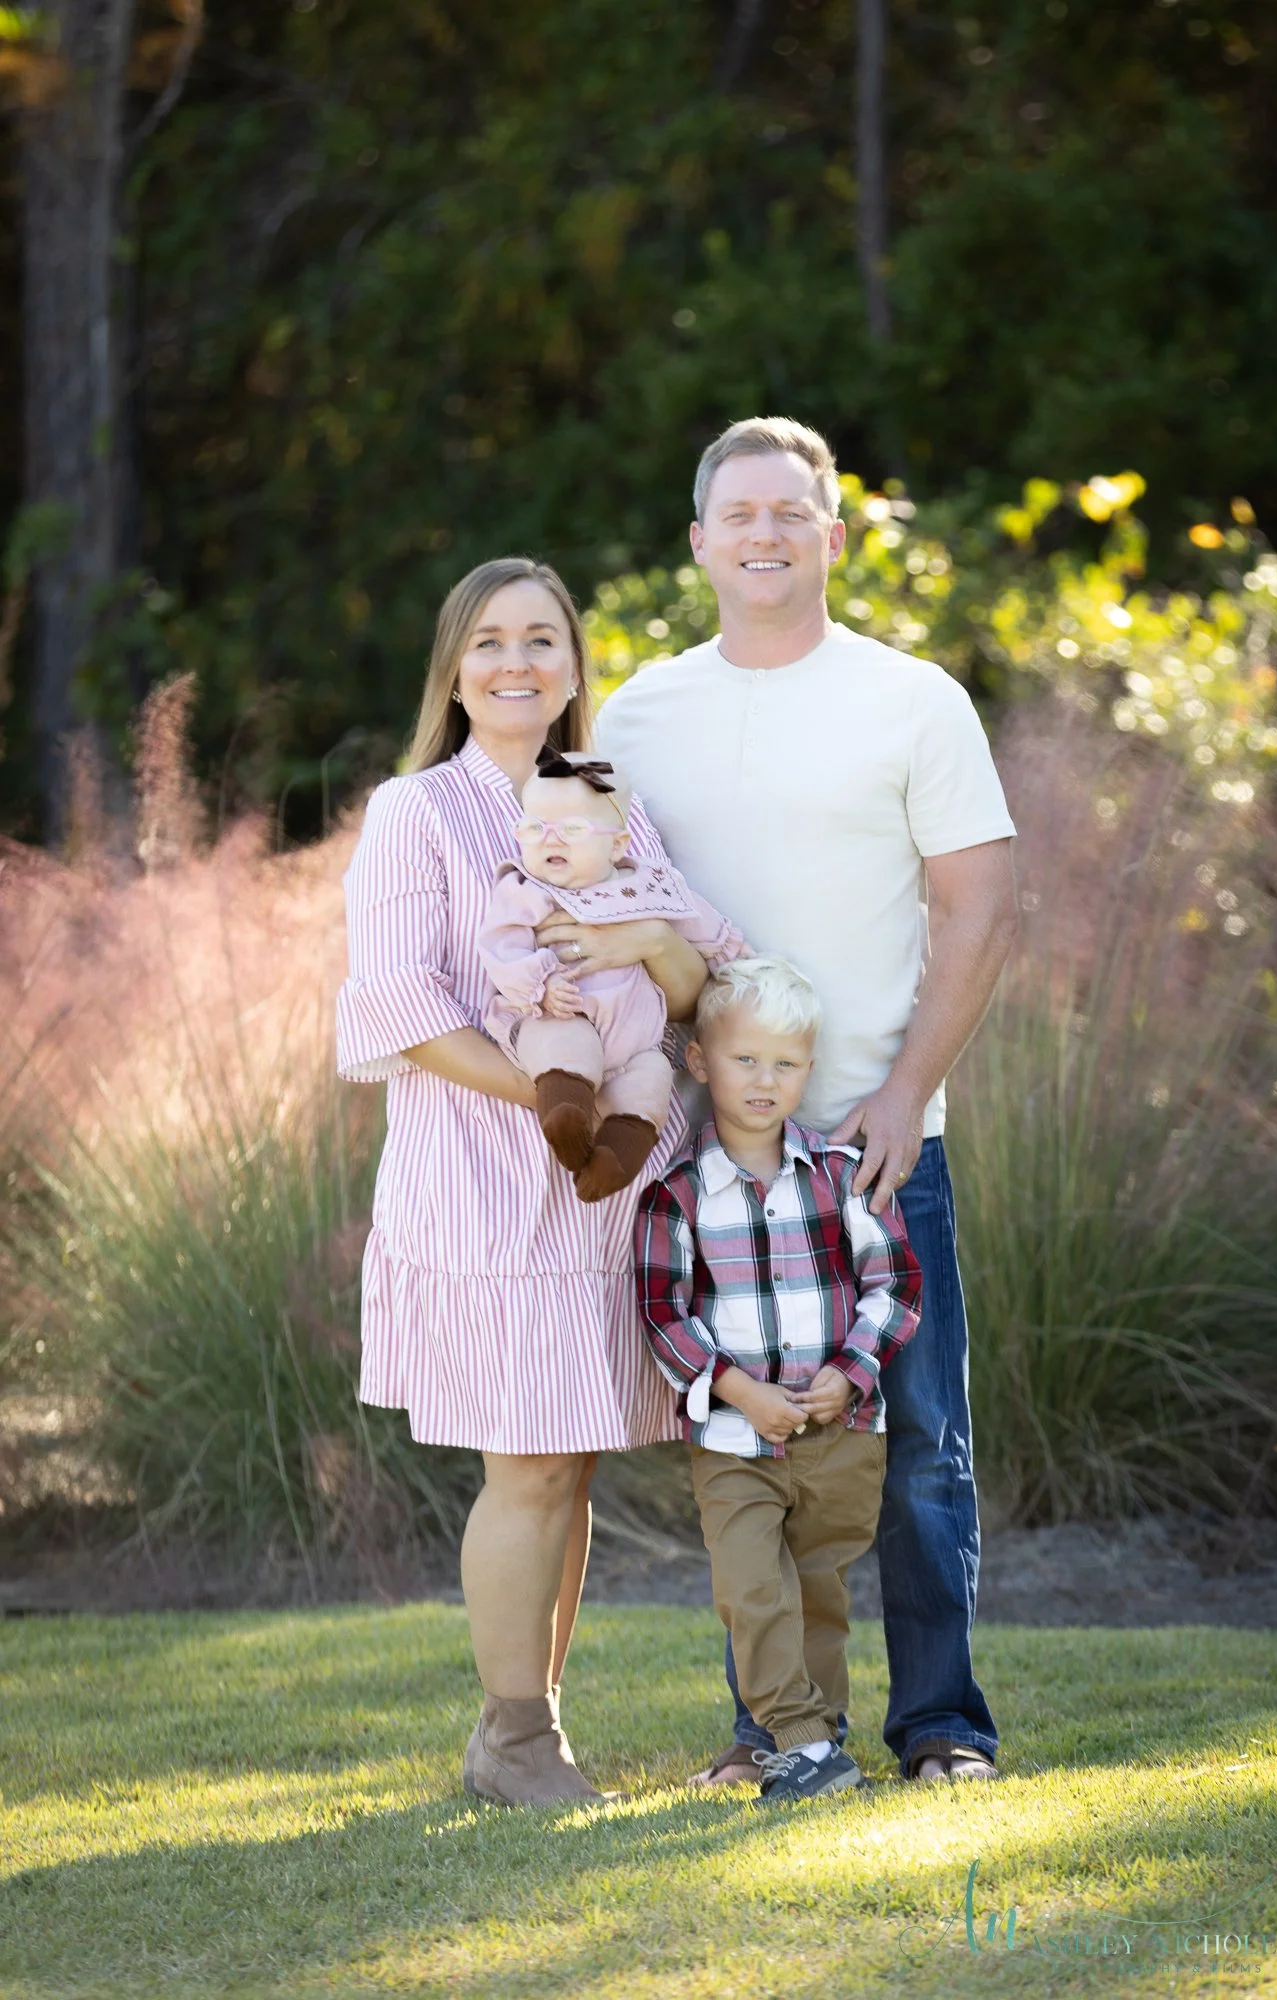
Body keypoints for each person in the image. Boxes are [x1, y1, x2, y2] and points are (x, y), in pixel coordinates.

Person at [597, 416, 1019, 1784]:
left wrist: (908, 1090)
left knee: (918, 1459)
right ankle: (774, 1728)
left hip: (877, 1148)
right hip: (717, 1173)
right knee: (753, 1462)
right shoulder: (638, 713)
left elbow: (979, 905)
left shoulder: (911, 699)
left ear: (833, 535)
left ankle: (941, 1725)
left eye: (793, 512)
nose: (765, 534)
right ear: (700, 542)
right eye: (740, 514)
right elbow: (604, 907)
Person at [336, 556, 712, 1806]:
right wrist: (550, 1099)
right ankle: (510, 1737)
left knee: (575, 1452)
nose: (515, 662)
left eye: (540, 639)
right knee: (529, 1461)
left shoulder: (613, 802)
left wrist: (648, 951)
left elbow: (681, 980)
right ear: (453, 666)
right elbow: (403, 1006)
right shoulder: (416, 811)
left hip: (612, 1183)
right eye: (489, 640)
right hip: (489, 1175)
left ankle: (533, 1726)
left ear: (571, 665)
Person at [636, 958, 921, 1802]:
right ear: (699, 1062)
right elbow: (664, 1313)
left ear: (809, 1068)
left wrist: (851, 1374)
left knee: (818, 1596)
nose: (764, 1081)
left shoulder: (841, 1175)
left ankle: (815, 1745)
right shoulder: (677, 1198)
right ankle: (797, 1738)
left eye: (785, 1064)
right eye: (744, 1060)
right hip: (736, 1441)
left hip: (839, 1435)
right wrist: (734, 1388)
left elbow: (894, 1284)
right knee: (754, 1590)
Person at [478, 743, 745, 1200]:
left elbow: (709, 930)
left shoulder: (649, 884)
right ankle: (567, 1115)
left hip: (638, 1040)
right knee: (566, 1046)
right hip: (564, 1011)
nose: (551, 840)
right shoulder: (524, 890)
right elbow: (501, 948)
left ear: (618, 843)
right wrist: (540, 987)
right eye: (535, 827)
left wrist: (744, 969)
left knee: (651, 1086)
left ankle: (614, 1159)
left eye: (573, 828)